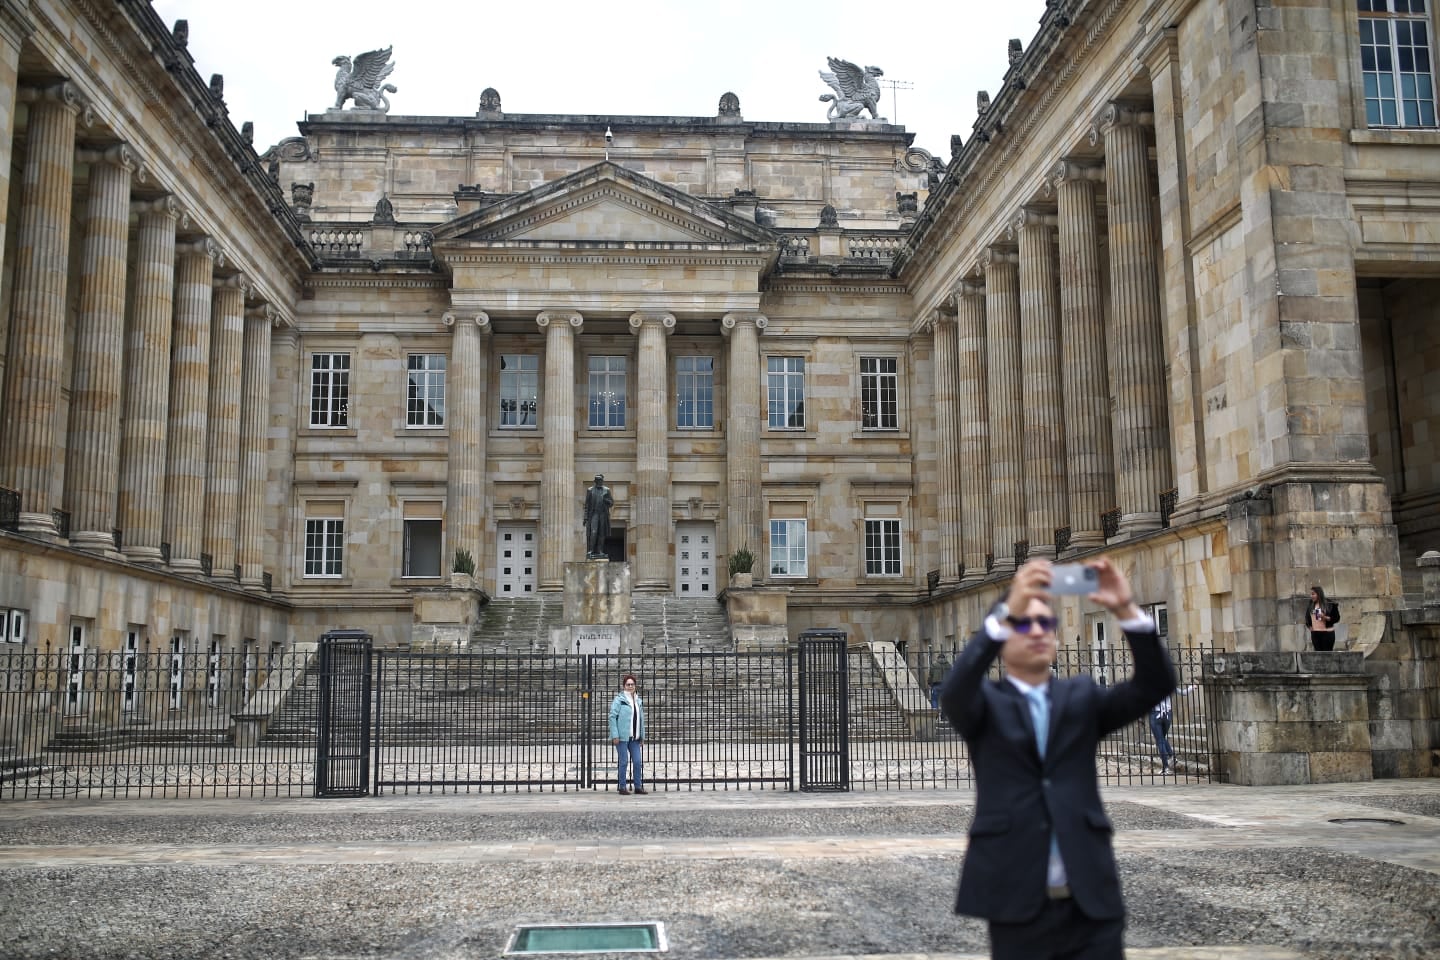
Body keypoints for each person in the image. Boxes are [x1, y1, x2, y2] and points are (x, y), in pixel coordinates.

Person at [940, 557, 1176, 960]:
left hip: (1091, 903)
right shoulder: (985, 707)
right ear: (1004, 635)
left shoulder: (1082, 698)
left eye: (1045, 623)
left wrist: (1125, 609)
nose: (1036, 631)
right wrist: (1004, 611)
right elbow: (955, 692)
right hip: (1016, 901)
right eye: (1023, 623)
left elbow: (1155, 684)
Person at [608, 673, 646, 795]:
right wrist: (615, 735)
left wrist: (642, 736)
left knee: (637, 761)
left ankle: (638, 786)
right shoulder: (619, 700)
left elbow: (641, 719)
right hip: (622, 737)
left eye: (632, 684)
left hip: (635, 738)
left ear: (635, 686)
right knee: (624, 761)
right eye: (628, 684)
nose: (630, 686)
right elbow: (612, 717)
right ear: (624, 686)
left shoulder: (638, 701)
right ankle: (622, 787)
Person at [1150, 684, 1195, 775]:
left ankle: (1165, 767)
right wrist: (1191, 688)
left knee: (1160, 741)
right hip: (1168, 716)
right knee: (1162, 738)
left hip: (1156, 715)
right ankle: (1172, 757)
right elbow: (1183, 693)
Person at [583, 474, 613, 560]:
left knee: (601, 533)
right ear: (595, 481)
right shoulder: (590, 490)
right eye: (598, 481)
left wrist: (606, 500)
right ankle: (591, 550)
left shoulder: (607, 490)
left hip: (603, 514)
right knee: (593, 532)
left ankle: (600, 551)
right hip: (594, 514)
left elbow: (611, 503)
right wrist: (585, 517)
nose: (600, 482)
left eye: (601, 481)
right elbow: (587, 505)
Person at [1304, 586, 1340, 652]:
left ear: (1319, 594)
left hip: (1327, 633)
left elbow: (1337, 618)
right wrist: (1309, 626)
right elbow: (1307, 617)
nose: (1311, 596)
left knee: (1327, 655)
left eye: (1313, 594)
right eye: (1311, 594)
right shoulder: (1311, 604)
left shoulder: (1330, 604)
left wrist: (1324, 617)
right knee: (1318, 655)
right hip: (1315, 634)